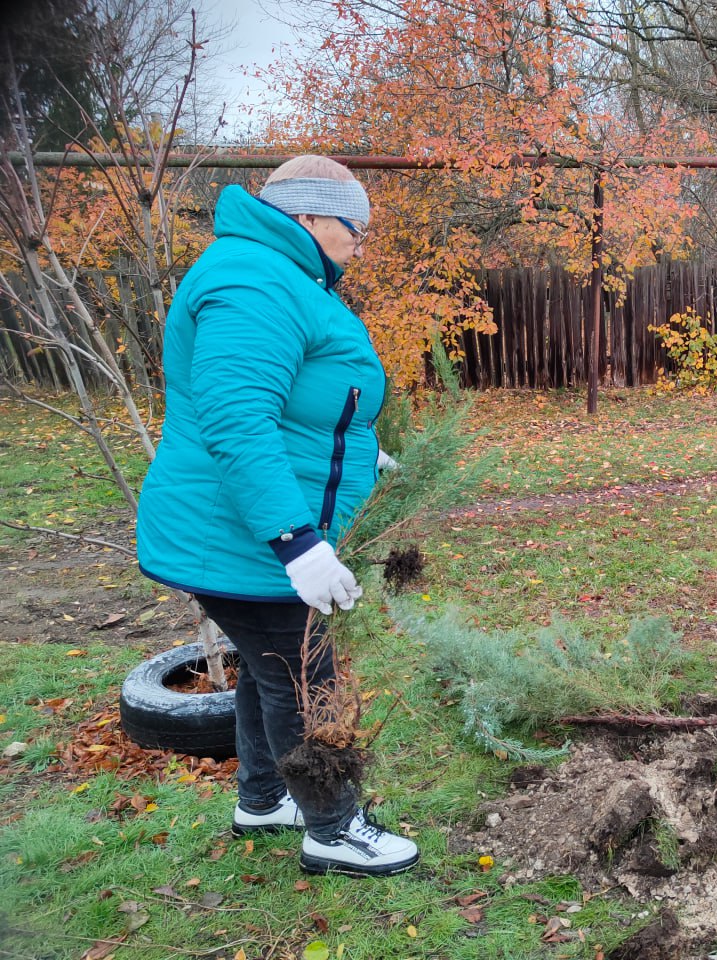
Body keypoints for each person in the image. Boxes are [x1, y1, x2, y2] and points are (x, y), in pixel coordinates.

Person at [136, 155, 418, 877]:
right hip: (244, 535)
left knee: (269, 671)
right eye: (355, 226)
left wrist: (362, 453)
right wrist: (297, 544)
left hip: (241, 531)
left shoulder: (272, 271)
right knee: (304, 675)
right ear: (309, 219)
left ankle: (263, 799)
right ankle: (333, 827)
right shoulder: (253, 278)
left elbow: (299, 400)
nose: (362, 241)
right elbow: (236, 419)